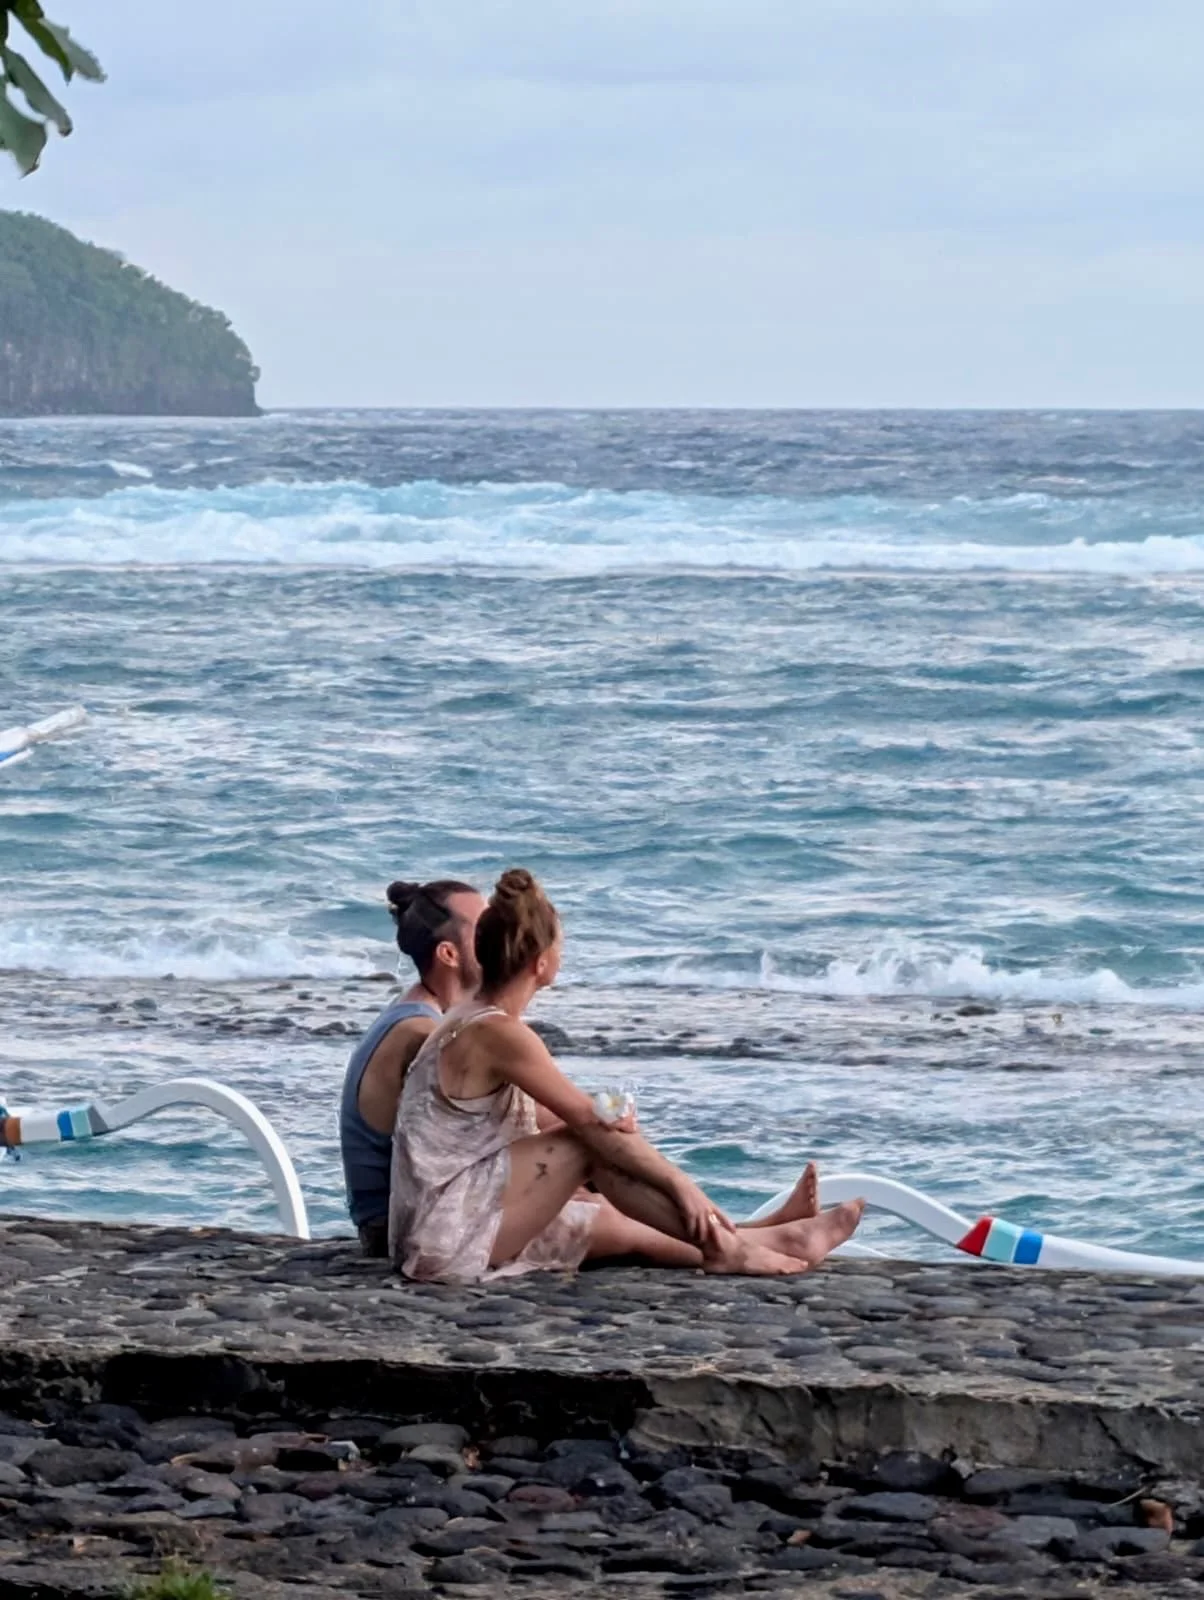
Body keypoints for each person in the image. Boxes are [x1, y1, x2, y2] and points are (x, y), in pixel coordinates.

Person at [389, 868, 864, 1282]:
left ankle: (774, 1239)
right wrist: (682, 1184)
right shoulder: (499, 1033)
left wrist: (612, 1113)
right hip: (442, 1235)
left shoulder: (472, 1017)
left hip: (442, 1219)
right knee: (588, 1144)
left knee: (601, 1208)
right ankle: (731, 1247)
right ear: (542, 964)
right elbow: (584, 1124)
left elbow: (560, 1109)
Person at [340, 877, 487, 1256]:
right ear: (448, 954)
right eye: (485, 929)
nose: (498, 936)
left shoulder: (419, 1011)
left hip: (406, 1216)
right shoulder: (420, 1031)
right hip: (396, 1227)